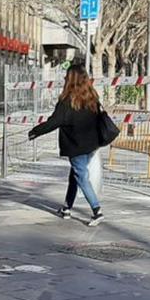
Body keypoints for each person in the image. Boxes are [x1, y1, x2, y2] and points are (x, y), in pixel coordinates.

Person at [27, 64, 106, 226]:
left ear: (70, 79)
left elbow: (54, 121)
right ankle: (67, 208)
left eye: (66, 76)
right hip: (91, 145)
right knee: (75, 175)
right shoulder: (92, 97)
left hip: (75, 146)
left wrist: (35, 131)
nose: (63, 78)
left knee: (81, 176)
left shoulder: (67, 100)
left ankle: (96, 210)